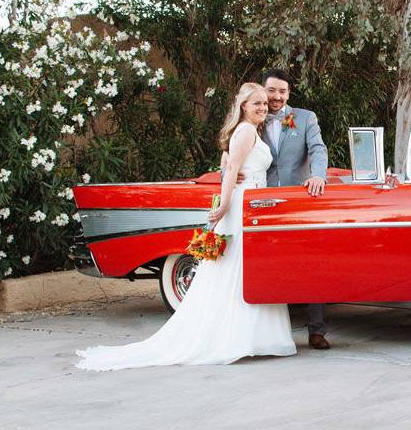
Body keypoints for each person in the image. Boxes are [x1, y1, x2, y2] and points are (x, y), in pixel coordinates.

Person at [75, 83, 296, 371]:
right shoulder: (244, 132)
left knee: (243, 272)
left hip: (252, 200)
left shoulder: (249, 131)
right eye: (257, 104)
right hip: (242, 206)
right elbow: (231, 172)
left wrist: (227, 164)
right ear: (243, 106)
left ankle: (252, 337)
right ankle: (238, 339)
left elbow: (230, 162)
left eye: (265, 104)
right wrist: (225, 205)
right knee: (237, 272)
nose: (263, 108)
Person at [259, 68, 331, 350]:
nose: (277, 97)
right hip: (262, 203)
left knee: (312, 263)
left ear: (289, 93)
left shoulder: (304, 117)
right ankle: (270, 332)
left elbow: (318, 149)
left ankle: (317, 330)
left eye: (282, 91)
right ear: (262, 90)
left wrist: (318, 176)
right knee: (267, 267)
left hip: (299, 201)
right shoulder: (253, 117)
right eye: (272, 90)